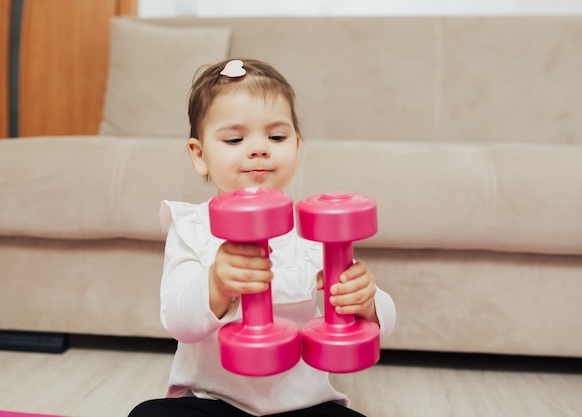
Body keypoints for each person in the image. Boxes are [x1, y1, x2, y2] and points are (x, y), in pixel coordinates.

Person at [129, 59, 396, 417]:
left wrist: (368, 302)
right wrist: (217, 285)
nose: (259, 149)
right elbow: (177, 322)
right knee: (150, 415)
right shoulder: (190, 225)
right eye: (235, 139)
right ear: (199, 155)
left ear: (297, 147)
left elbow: (382, 327)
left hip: (303, 406)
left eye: (276, 137)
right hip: (214, 402)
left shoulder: (315, 230)